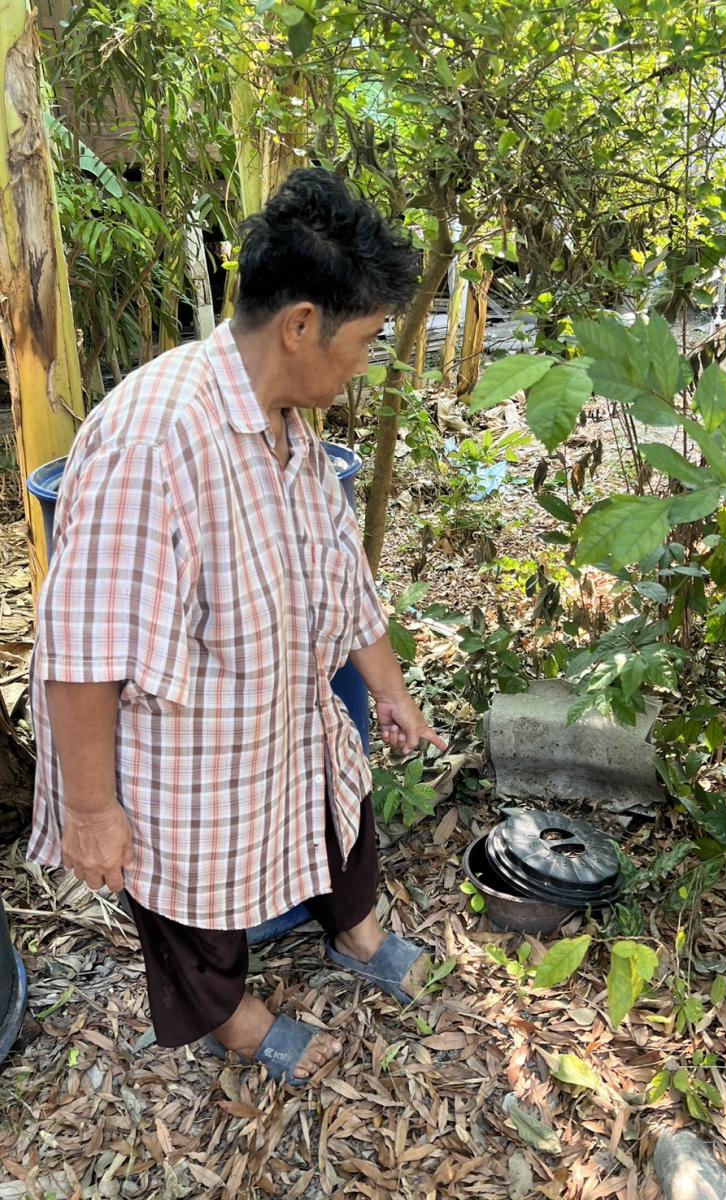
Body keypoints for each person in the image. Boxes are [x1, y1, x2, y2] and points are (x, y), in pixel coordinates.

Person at [27, 168, 447, 1085]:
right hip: (186, 748)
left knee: (339, 802)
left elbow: (343, 575)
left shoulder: (289, 421)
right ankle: (234, 1020)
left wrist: (391, 693)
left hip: (284, 708)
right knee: (186, 885)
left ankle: (354, 933)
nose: (367, 364)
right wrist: (92, 811)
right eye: (366, 341)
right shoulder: (154, 439)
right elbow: (84, 651)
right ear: (301, 325)